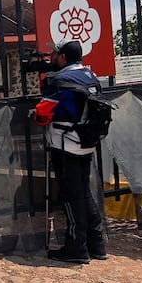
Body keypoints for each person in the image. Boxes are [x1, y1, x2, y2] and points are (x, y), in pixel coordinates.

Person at [33, 40, 107, 264]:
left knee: (71, 197)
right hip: (86, 142)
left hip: (66, 145)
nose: (51, 57)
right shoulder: (90, 76)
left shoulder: (60, 80)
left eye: (55, 53)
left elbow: (42, 114)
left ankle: (76, 248)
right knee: (84, 193)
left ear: (63, 57)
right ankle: (97, 245)